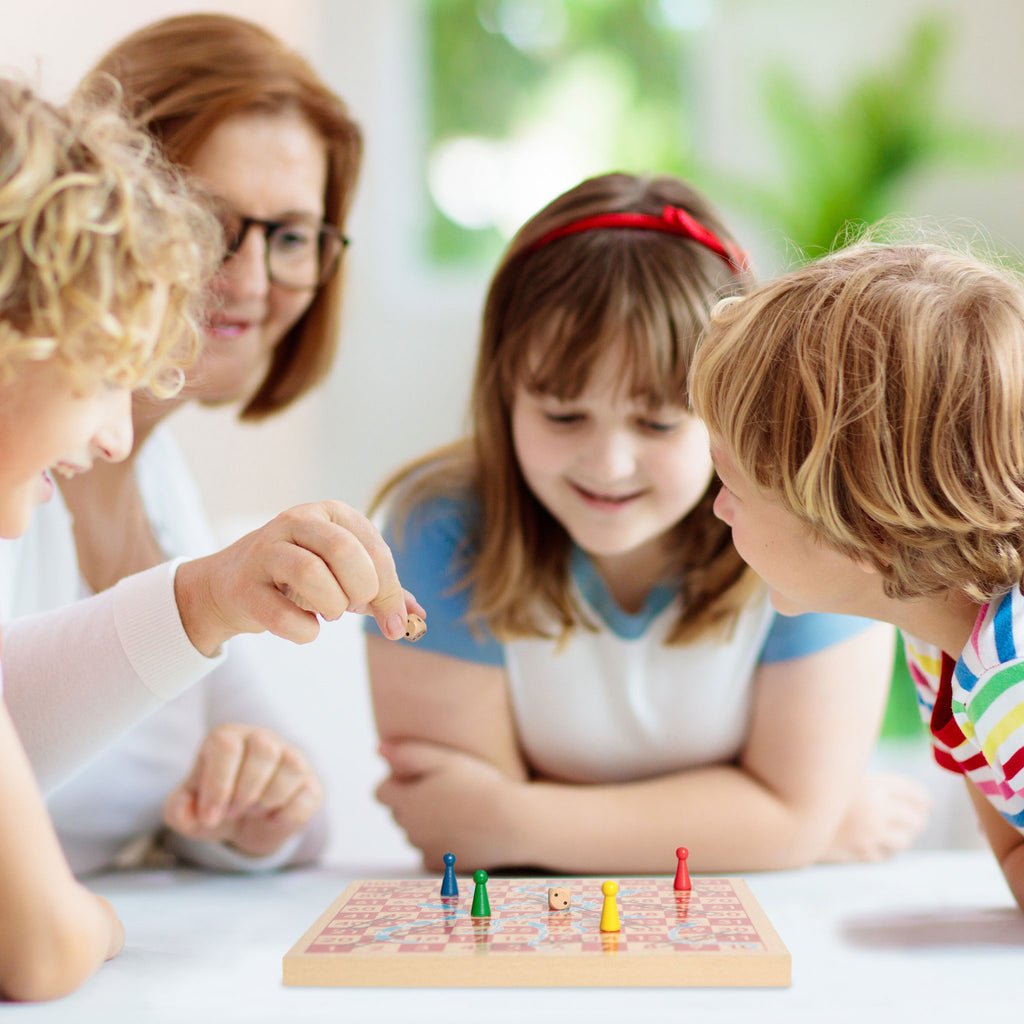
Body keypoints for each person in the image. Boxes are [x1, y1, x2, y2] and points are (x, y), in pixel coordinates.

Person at [367, 173, 929, 875]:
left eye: (658, 422)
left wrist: (518, 817)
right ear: (502, 391)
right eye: (563, 415)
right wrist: (773, 831)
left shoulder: (812, 523)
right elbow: (459, 838)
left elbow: (491, 824)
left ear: (730, 410)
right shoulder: (438, 529)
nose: (608, 463)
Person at [2, 13, 364, 875]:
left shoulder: (157, 475)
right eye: (208, 222)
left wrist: (251, 813)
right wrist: (202, 600)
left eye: (289, 236)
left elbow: (294, 809)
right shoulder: (15, 463)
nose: (246, 278)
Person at [688, 238, 1024, 910]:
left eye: (734, 485)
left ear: (864, 532)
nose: (718, 507)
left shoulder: (1008, 679)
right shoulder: (942, 644)